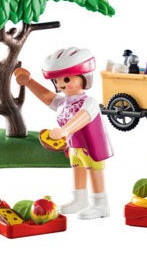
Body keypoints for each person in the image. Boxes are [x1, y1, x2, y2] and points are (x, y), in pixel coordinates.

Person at [15, 47, 112, 219]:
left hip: (91, 147)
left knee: (94, 172)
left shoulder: (89, 102)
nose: (61, 84)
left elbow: (83, 117)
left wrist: (65, 130)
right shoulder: (64, 103)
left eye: (66, 79)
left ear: (84, 78)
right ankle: (80, 200)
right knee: (78, 170)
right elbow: (47, 97)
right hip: (73, 147)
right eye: (57, 80)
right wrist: (29, 82)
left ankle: (101, 205)